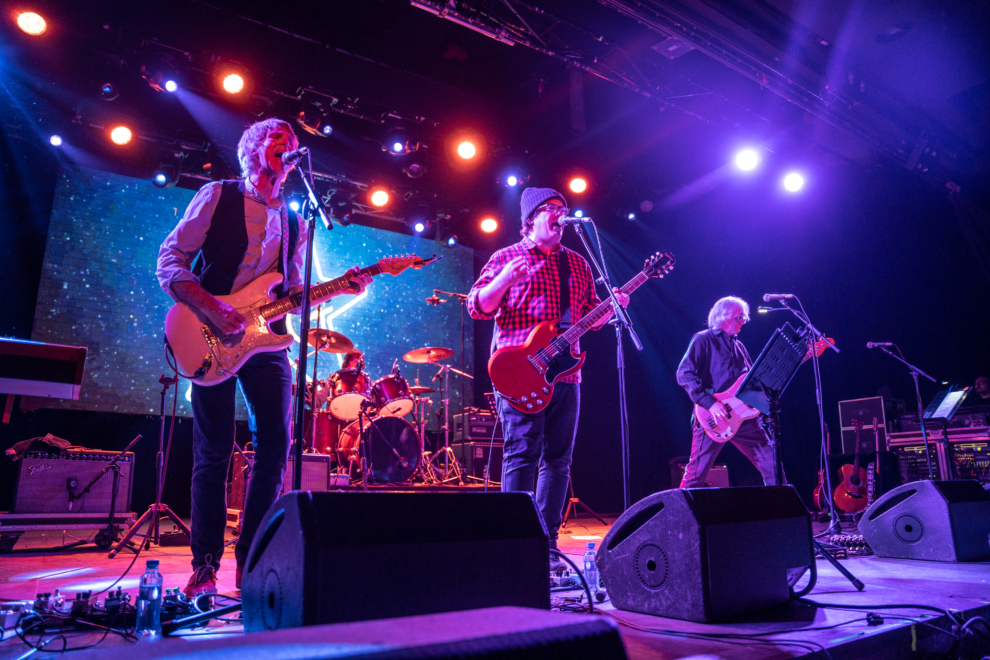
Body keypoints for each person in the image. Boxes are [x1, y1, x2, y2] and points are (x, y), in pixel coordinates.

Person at [157, 118, 371, 597]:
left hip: (266, 339)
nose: (289, 147)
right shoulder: (218, 194)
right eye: (278, 140)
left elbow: (292, 291)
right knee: (212, 453)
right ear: (253, 150)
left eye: (293, 143)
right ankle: (205, 564)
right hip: (207, 331)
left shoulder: (296, 218)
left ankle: (251, 554)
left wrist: (341, 286)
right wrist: (211, 307)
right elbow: (170, 260)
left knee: (276, 443)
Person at [467, 187, 629, 552]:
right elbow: (477, 306)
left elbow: (591, 319)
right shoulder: (506, 257)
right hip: (519, 373)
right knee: (522, 454)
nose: (560, 215)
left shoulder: (577, 263)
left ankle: (546, 541)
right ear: (530, 219)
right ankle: (514, 538)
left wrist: (612, 306)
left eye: (564, 209)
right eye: (551, 209)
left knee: (558, 460)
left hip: (566, 375)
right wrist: (504, 279)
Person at [675, 296, 779, 488]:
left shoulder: (739, 346)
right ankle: (678, 518)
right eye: (739, 318)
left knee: (773, 467)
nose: (743, 323)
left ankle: (785, 513)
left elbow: (751, 382)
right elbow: (684, 373)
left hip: (746, 419)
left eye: (745, 319)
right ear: (723, 316)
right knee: (695, 477)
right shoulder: (703, 339)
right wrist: (710, 403)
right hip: (712, 416)